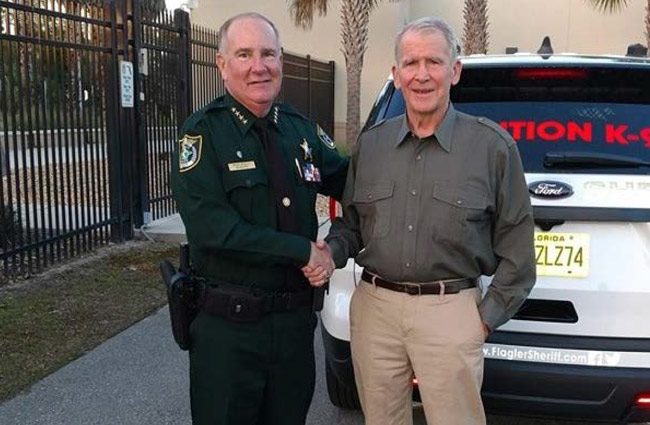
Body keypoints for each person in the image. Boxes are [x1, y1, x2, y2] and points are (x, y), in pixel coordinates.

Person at [314, 16, 536, 425]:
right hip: (375, 311)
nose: (422, 75)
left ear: (454, 71)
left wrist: (481, 321)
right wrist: (331, 252)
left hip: (451, 310)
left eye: (433, 62)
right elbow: (352, 224)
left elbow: (519, 259)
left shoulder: (492, 148)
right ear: (396, 75)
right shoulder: (372, 144)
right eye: (411, 64)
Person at [171, 12, 346, 425]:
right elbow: (213, 230)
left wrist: (337, 245)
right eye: (245, 54)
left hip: (292, 327)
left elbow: (357, 187)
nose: (258, 66)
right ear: (222, 65)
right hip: (227, 333)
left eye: (268, 53)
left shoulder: (301, 132)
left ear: (281, 60)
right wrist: (302, 250)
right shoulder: (203, 134)